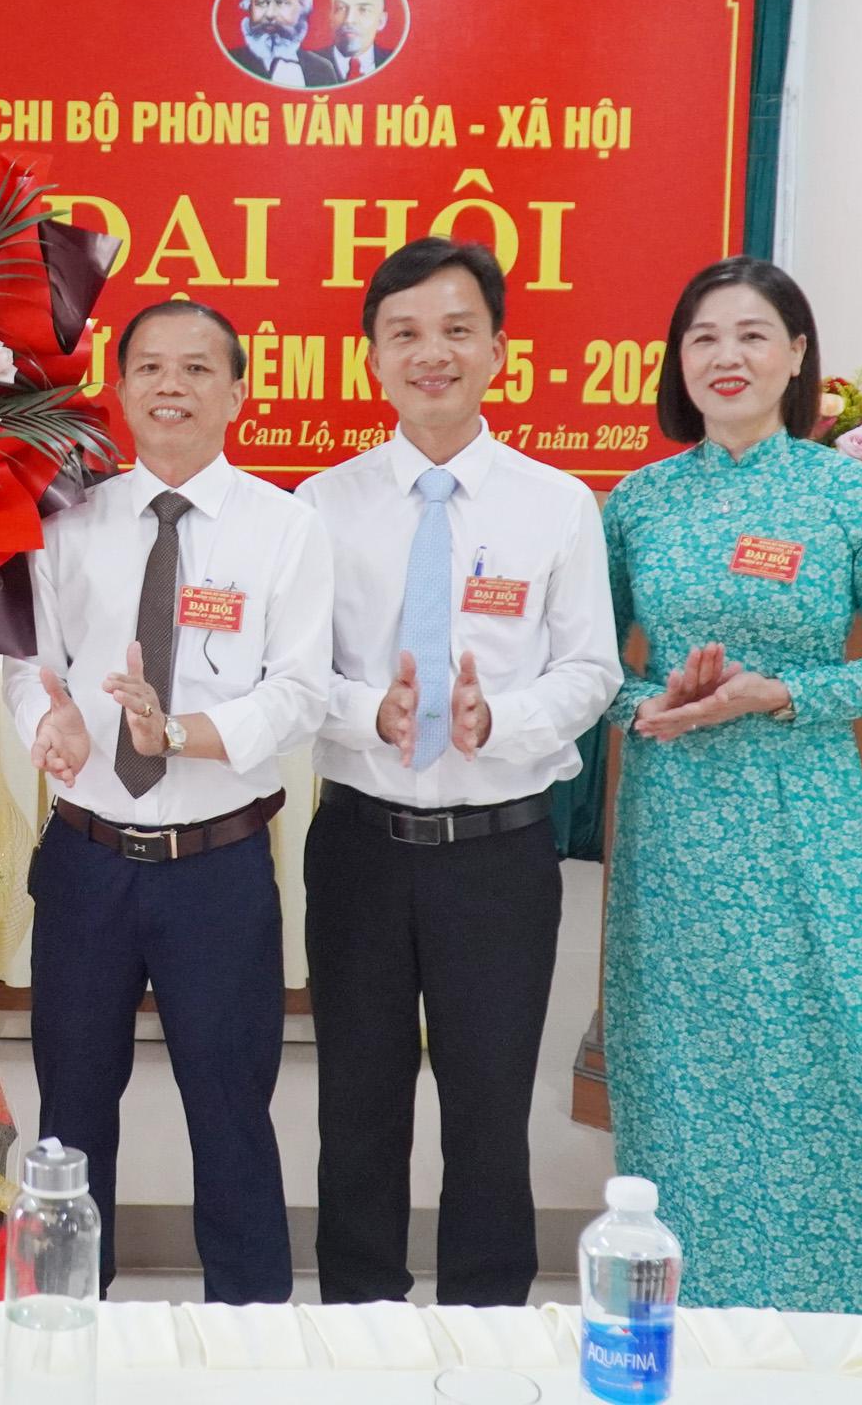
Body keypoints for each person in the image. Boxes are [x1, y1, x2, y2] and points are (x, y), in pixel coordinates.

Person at [600, 258, 862, 1403]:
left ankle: (848, 1350)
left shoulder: (850, 497)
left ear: (798, 354)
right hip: (675, 832)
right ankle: (687, 1347)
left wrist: (784, 692)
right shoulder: (639, 502)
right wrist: (652, 703)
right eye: (704, 336)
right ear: (678, 362)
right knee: (682, 1084)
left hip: (806, 823)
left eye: (754, 334)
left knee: (827, 1075)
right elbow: (588, 673)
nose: (728, 357)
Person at [295, 238, 621, 1306]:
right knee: (357, 1104)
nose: (430, 353)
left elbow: (592, 669)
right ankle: (359, 1320)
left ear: (497, 350)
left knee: (490, 1109)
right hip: (360, 844)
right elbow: (290, 673)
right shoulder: (321, 505)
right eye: (405, 334)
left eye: (455, 330)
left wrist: (502, 718)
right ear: (372, 359)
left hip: (498, 854)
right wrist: (367, 709)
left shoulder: (556, 503)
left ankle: (489, 1328)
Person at [3, 300, 333, 1304]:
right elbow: (28, 662)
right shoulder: (68, 521)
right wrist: (52, 721)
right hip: (87, 860)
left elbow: (300, 691)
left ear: (238, 392)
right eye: (149, 366)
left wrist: (181, 731)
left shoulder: (287, 528)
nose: (171, 386)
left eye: (196, 368)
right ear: (121, 389)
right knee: (69, 1117)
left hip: (217, 868)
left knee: (231, 1115)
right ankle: (66, 1323)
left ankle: (250, 1332)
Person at [225, 0, 316, 88]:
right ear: (249, 7)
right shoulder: (228, 62)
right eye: (261, 3)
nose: (270, 14)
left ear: (302, 8)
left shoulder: (321, 68)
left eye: (281, 3)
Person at [303, 0, 397, 85]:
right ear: (331, 16)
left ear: (381, 21)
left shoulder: (396, 63)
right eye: (341, 8)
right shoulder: (304, 66)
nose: (349, 20)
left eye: (363, 10)